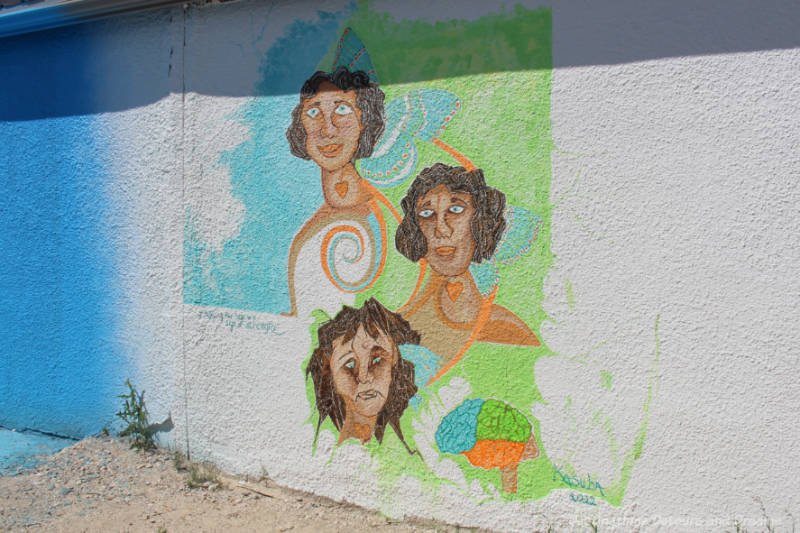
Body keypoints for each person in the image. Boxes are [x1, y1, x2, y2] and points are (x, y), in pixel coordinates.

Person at [395, 163, 540, 378]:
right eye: (427, 213)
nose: (441, 229)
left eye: (455, 210)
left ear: (480, 221)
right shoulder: (396, 330)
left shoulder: (506, 329)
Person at [284, 67, 394, 317]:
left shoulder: (382, 216)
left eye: (342, 109)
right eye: (314, 112)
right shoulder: (316, 223)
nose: (328, 129)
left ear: (365, 121)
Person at [306, 298, 419, 451]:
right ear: (330, 373)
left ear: (394, 362)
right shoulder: (324, 452)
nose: (364, 377)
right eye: (350, 364)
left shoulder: (412, 445)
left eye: (377, 360)